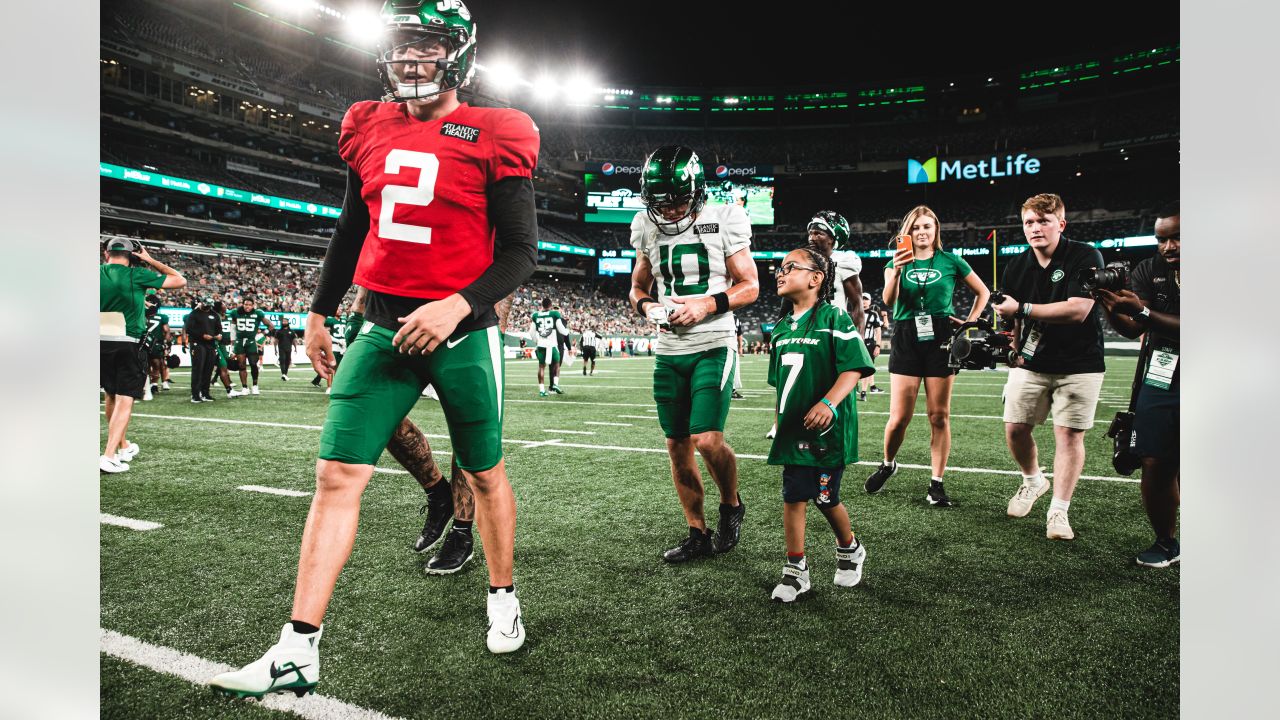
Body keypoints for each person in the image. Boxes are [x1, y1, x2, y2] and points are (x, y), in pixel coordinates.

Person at [210, 0, 539, 699]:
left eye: (428, 49)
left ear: (460, 55)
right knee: (335, 476)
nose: (411, 61)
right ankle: (297, 647)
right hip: (382, 326)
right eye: (402, 48)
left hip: (462, 333)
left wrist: (458, 304)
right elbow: (351, 225)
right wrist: (320, 311)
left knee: (483, 473)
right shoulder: (367, 123)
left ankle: (503, 593)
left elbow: (519, 253)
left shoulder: (499, 130)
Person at [628, 144, 759, 563]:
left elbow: (751, 285)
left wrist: (704, 304)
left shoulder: (724, 217)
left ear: (698, 191)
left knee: (707, 439)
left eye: (678, 200)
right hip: (670, 349)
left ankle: (731, 504)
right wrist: (649, 308)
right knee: (677, 447)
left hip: (714, 341)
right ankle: (696, 532)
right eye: (660, 202)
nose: (668, 211)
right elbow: (637, 289)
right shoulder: (645, 225)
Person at [993, 193, 1107, 541]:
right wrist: (1011, 343)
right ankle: (1033, 481)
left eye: (1043, 220)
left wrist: (1021, 309)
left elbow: (1078, 310)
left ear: (1061, 223)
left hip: (1080, 361)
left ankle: (1059, 510)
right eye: (1029, 222)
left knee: (1069, 435)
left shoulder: (1085, 255)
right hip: (1032, 360)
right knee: (1014, 429)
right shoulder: (1016, 264)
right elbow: (1009, 317)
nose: (1035, 228)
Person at [766, 247, 875, 601]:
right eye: (779, 269)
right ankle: (796, 570)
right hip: (794, 431)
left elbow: (854, 368)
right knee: (793, 496)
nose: (781, 273)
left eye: (790, 267)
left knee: (826, 498)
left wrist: (829, 402)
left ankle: (850, 549)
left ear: (816, 278)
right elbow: (782, 386)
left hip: (829, 431)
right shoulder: (780, 328)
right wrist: (777, 422)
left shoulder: (835, 317)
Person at [864, 205, 991, 507]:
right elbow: (888, 300)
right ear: (908, 232)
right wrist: (895, 270)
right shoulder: (894, 263)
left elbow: (983, 292)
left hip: (942, 337)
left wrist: (970, 324)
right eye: (916, 227)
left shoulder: (951, 260)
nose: (922, 232)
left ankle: (937, 483)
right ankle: (888, 463)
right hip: (907, 335)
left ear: (936, 230)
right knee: (899, 418)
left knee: (939, 415)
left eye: (927, 227)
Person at [1096, 202, 1180, 566]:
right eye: (1162, 239)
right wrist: (1108, 304)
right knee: (1154, 458)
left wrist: (1143, 312)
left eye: (1177, 237)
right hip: (1163, 370)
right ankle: (1166, 542)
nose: (1168, 246)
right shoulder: (1150, 268)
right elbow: (1134, 329)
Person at [100, 238, 185, 472]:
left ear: (107, 254)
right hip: (128, 342)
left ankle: (123, 446)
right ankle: (108, 455)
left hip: (99, 341)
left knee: (111, 395)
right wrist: (149, 259)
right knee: (125, 398)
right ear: (131, 256)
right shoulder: (135, 274)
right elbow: (179, 280)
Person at [228, 296, 275, 396]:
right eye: (246, 304)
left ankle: (255, 386)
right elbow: (232, 328)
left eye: (249, 305)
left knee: (254, 364)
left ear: (253, 305)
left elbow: (271, 326)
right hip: (239, 341)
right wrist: (232, 343)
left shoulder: (257, 313)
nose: (247, 307)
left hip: (251, 342)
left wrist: (263, 334)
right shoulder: (235, 312)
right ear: (243, 304)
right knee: (241, 365)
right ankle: (244, 387)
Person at [184, 297, 222, 403]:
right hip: (197, 343)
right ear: (202, 303)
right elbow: (189, 329)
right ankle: (195, 394)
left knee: (208, 369)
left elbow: (219, 328)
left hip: (210, 344)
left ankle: (205, 393)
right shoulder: (194, 314)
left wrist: (218, 335)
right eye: (206, 305)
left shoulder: (214, 315)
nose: (208, 307)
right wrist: (202, 335)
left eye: (210, 306)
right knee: (198, 369)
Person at [529, 297, 567, 395]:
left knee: (541, 367)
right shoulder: (554, 314)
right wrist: (567, 332)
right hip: (552, 344)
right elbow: (561, 330)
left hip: (541, 345)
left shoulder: (536, 315)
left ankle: (542, 390)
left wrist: (536, 341)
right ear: (550, 305)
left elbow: (531, 332)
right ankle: (555, 384)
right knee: (557, 364)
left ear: (542, 305)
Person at [211, 300, 243, 398]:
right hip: (215, 344)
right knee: (220, 365)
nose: (226, 306)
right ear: (219, 307)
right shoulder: (214, 317)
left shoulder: (229, 315)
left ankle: (225, 387)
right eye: (223, 304)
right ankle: (201, 389)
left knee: (224, 364)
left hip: (224, 345)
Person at [142, 294, 169, 401]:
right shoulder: (143, 314)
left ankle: (155, 384)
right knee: (152, 364)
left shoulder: (161, 317)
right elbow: (167, 331)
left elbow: (167, 331)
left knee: (157, 364)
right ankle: (151, 384)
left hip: (153, 342)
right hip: (148, 342)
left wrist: (166, 343)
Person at [858, 293, 883, 401]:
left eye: (866, 299)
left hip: (869, 343)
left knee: (867, 368)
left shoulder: (874, 314)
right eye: (862, 299)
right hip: (857, 342)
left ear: (870, 301)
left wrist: (878, 345)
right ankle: (855, 388)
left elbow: (878, 330)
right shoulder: (855, 312)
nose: (864, 301)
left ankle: (863, 392)